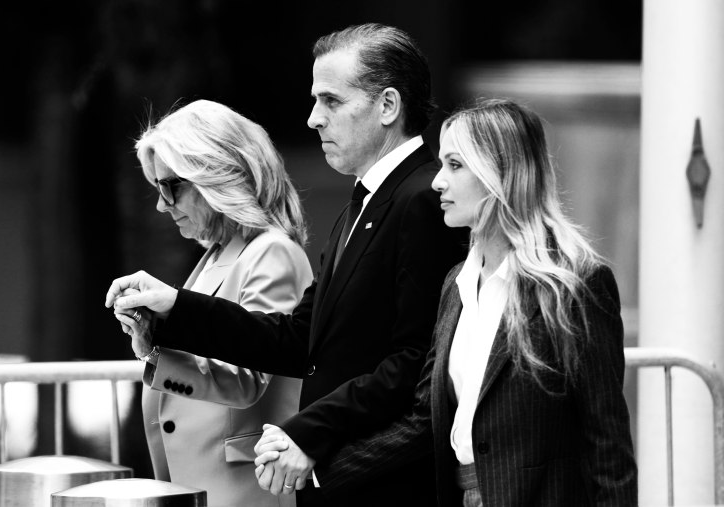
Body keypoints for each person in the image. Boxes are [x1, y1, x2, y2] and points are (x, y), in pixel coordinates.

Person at [106, 23, 466, 507]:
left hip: (381, 483)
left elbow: (413, 364)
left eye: (331, 101)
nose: (314, 118)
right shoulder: (364, 203)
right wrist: (174, 309)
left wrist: (307, 433)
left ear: (387, 106)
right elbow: (295, 340)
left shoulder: (422, 198)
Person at [258, 99, 638, 506]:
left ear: (502, 174)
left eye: (455, 165)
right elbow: (424, 422)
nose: (437, 181)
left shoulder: (576, 284)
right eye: (441, 164)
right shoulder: (456, 284)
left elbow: (608, 449)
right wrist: (316, 469)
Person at [113, 99, 313, 507]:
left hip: (245, 488)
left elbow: (247, 378)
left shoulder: (272, 251)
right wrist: (151, 343)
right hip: (212, 483)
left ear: (220, 176)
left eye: (171, 185)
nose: (161, 203)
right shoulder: (222, 251)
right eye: (156, 187)